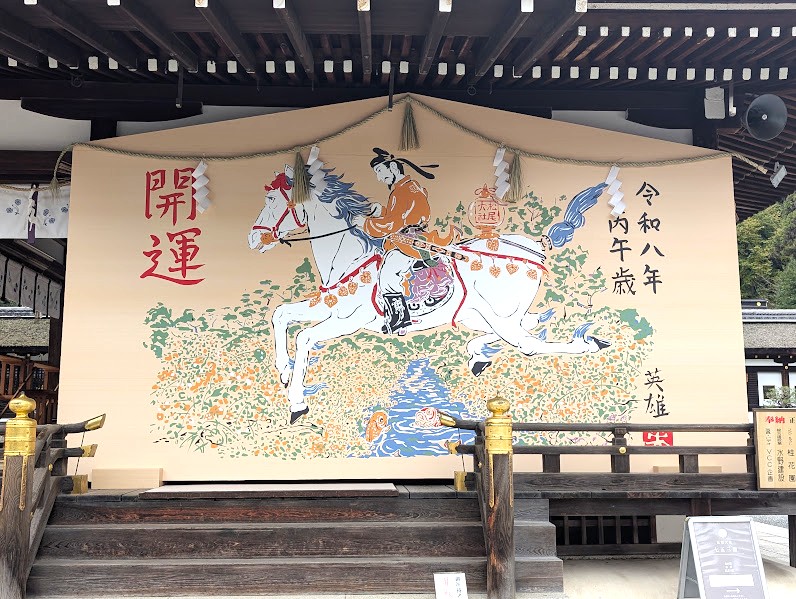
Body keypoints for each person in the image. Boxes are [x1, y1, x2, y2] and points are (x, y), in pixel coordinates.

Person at [355, 148, 444, 334]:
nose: (379, 177)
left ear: (394, 167)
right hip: (407, 238)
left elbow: (395, 223)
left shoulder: (403, 191)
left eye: (380, 171)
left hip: (409, 241)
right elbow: (400, 215)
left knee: (388, 275)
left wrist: (366, 224)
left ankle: (400, 319)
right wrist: (381, 211)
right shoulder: (408, 187)